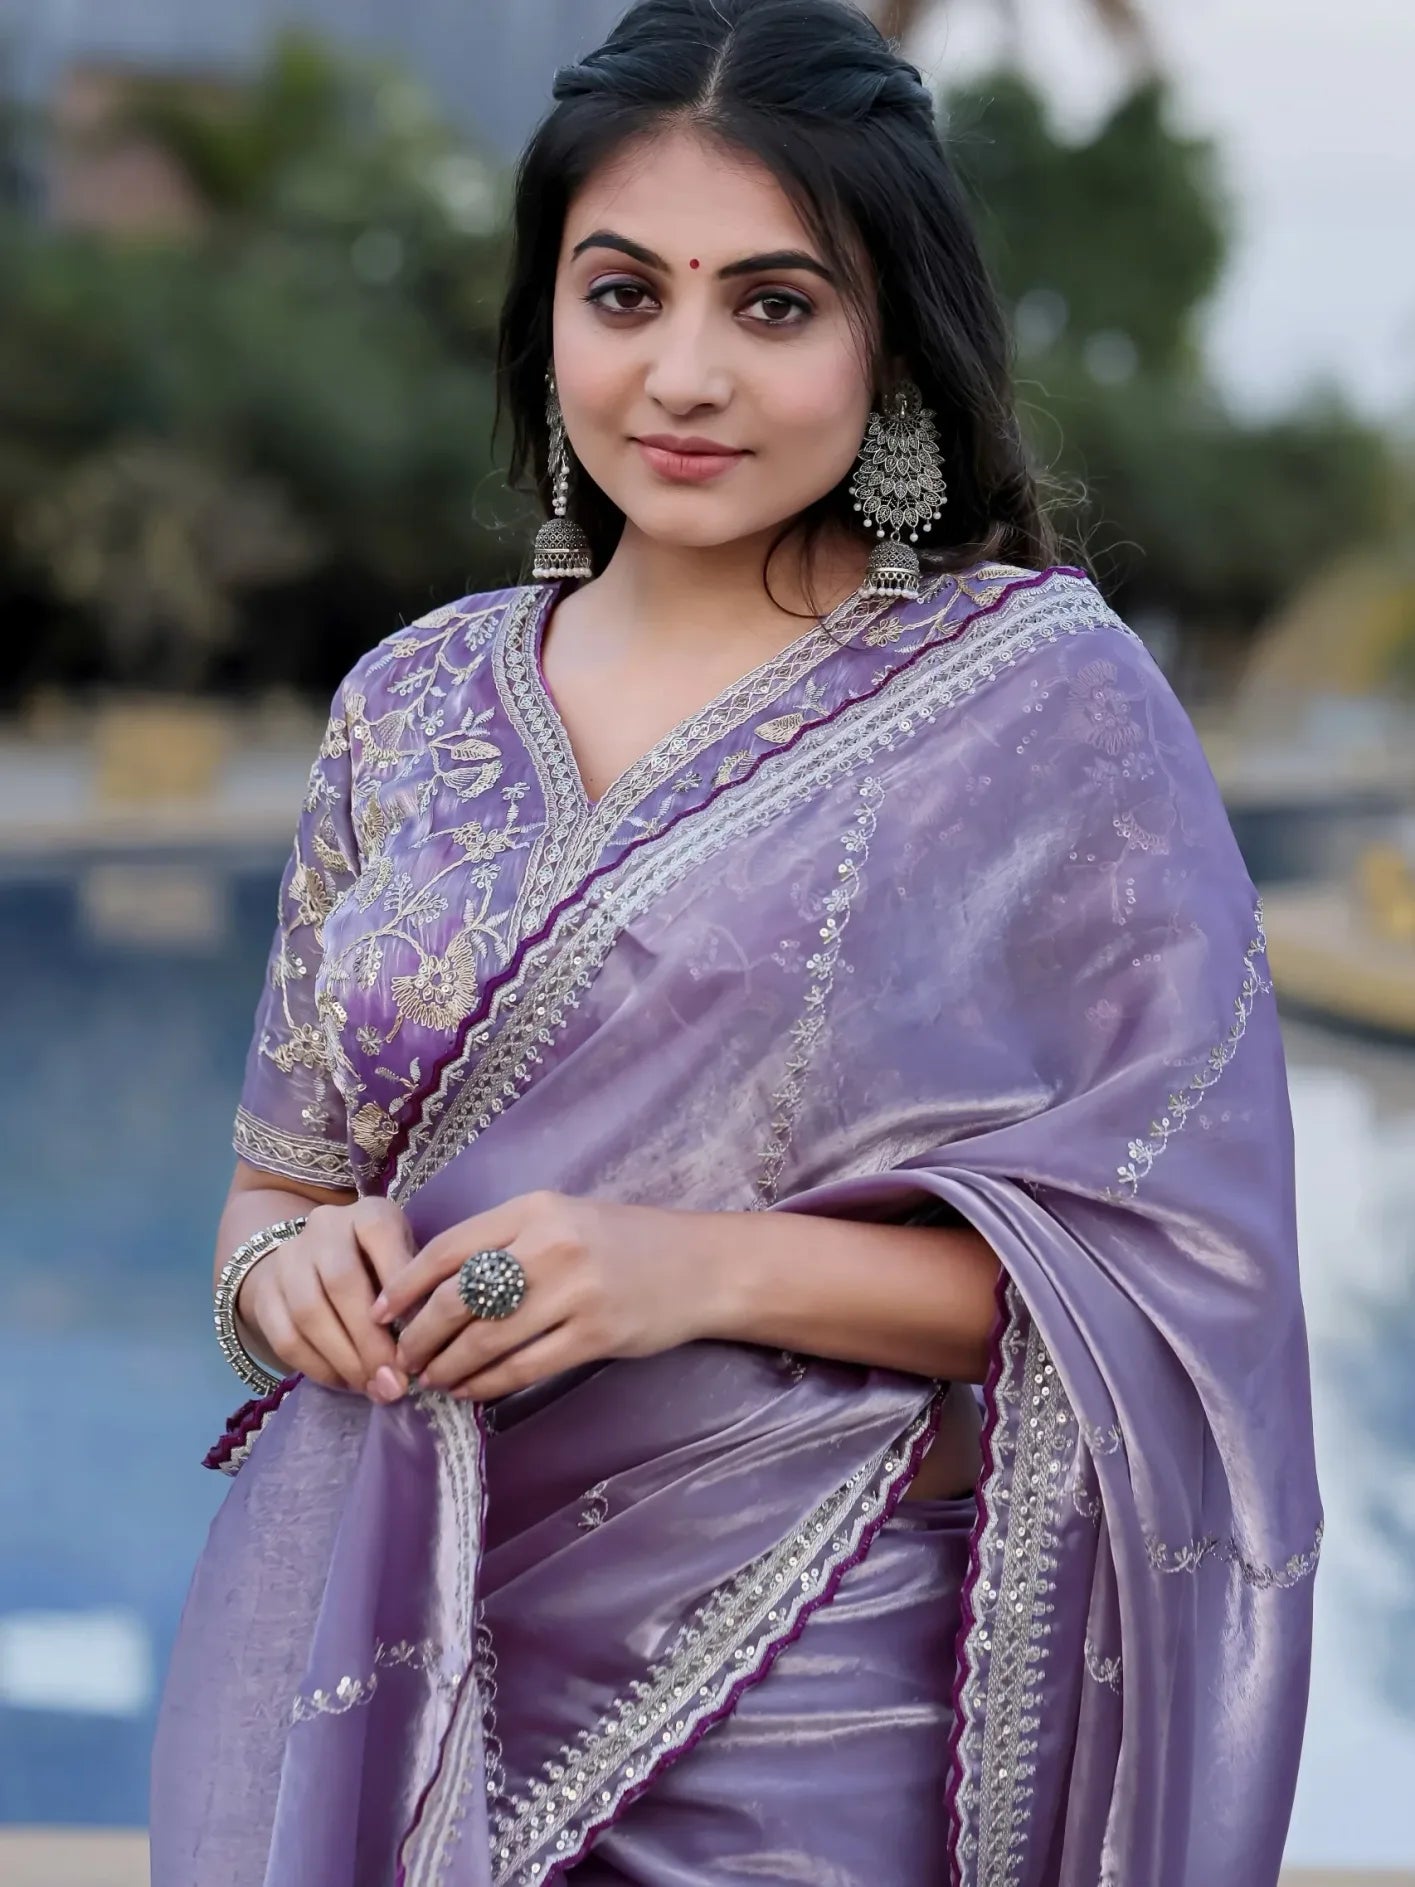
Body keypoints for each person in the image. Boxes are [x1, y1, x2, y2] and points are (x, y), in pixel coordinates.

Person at [150, 3, 1322, 1882]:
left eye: (773, 305)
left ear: (890, 337)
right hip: (381, 1668)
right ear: (549, 315)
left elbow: (1176, 1292)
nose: (683, 372)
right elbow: (272, 1193)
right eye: (625, 294)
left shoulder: (1033, 708)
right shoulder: (408, 703)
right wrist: (282, 1286)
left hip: (804, 1701)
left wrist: (688, 1269)